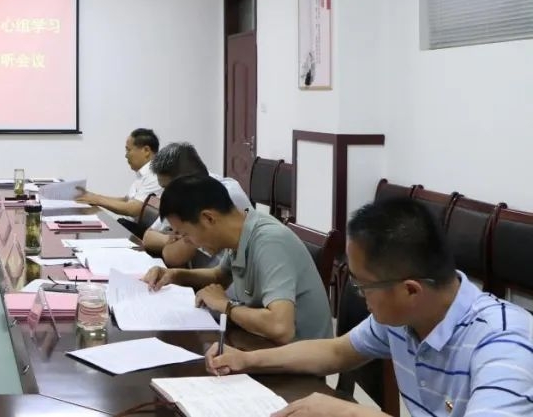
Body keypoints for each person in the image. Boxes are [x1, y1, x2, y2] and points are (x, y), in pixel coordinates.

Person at [205, 198, 533, 417]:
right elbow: (336, 352)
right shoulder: (404, 318)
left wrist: (347, 411)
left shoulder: (504, 343)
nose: (360, 295)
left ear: (410, 290)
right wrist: (246, 360)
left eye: (363, 286)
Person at [142, 175, 332, 344]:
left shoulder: (269, 242)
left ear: (208, 218)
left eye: (185, 234)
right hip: (262, 345)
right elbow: (219, 276)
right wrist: (174, 275)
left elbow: (280, 328)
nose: (187, 242)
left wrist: (226, 306)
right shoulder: (241, 228)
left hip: (299, 361)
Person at [143, 142, 252, 267]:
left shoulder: (223, 194)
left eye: (168, 189)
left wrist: (174, 240)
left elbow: (174, 256)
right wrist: (170, 239)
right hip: (208, 275)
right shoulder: (186, 198)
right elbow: (148, 237)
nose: (165, 195)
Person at [76, 128, 161, 218]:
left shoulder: (154, 176)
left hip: (134, 226)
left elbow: (133, 209)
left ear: (146, 150)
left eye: (128, 150)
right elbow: (126, 201)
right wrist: (92, 196)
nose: (126, 155)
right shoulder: (143, 174)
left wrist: (97, 200)